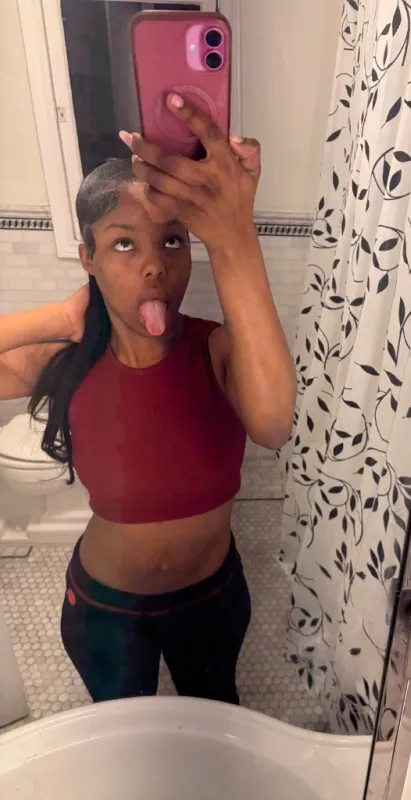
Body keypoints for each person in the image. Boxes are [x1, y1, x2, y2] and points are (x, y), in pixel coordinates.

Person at [0, 94, 296, 704]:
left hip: (211, 598)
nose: (155, 266)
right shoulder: (67, 357)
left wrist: (234, 234)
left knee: (212, 722)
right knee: (126, 736)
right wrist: (54, 319)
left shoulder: (217, 351)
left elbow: (273, 424)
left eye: (173, 242)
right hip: (106, 609)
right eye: (124, 245)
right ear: (88, 258)